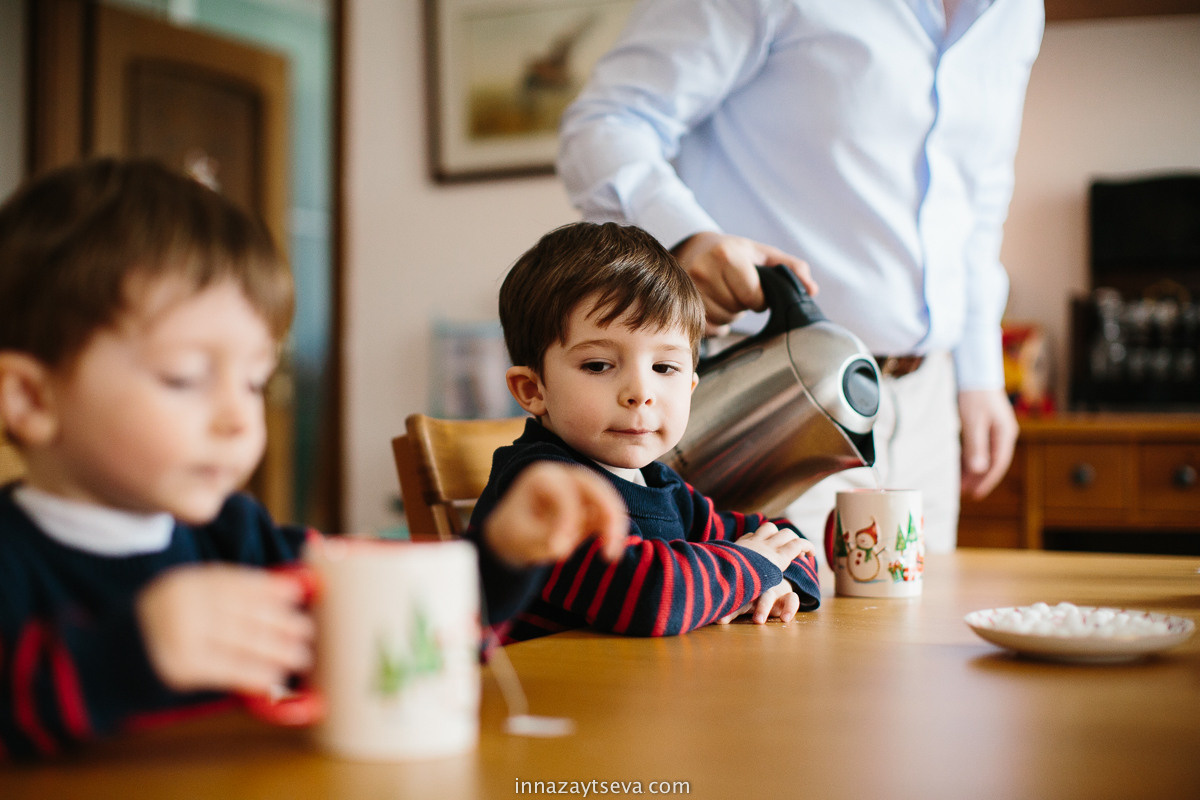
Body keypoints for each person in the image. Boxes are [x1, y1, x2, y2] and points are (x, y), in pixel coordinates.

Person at [0, 158, 625, 760]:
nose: (240, 418)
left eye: (253, 382)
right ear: (30, 398)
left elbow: (398, 622)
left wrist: (504, 553)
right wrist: (132, 653)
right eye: (185, 377)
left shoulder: (238, 539)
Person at [557, 0, 1044, 556]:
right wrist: (687, 238)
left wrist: (979, 377)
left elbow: (979, 200)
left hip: (931, 400)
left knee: (919, 631)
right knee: (781, 621)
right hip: (775, 389)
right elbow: (605, 123)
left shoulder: (1017, 13)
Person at [467, 221, 821, 645]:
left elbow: (789, 540)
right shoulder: (541, 488)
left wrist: (774, 578)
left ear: (691, 384)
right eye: (598, 365)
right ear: (533, 389)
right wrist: (751, 566)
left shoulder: (662, 485)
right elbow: (648, 597)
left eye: (664, 368)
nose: (640, 393)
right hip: (549, 703)